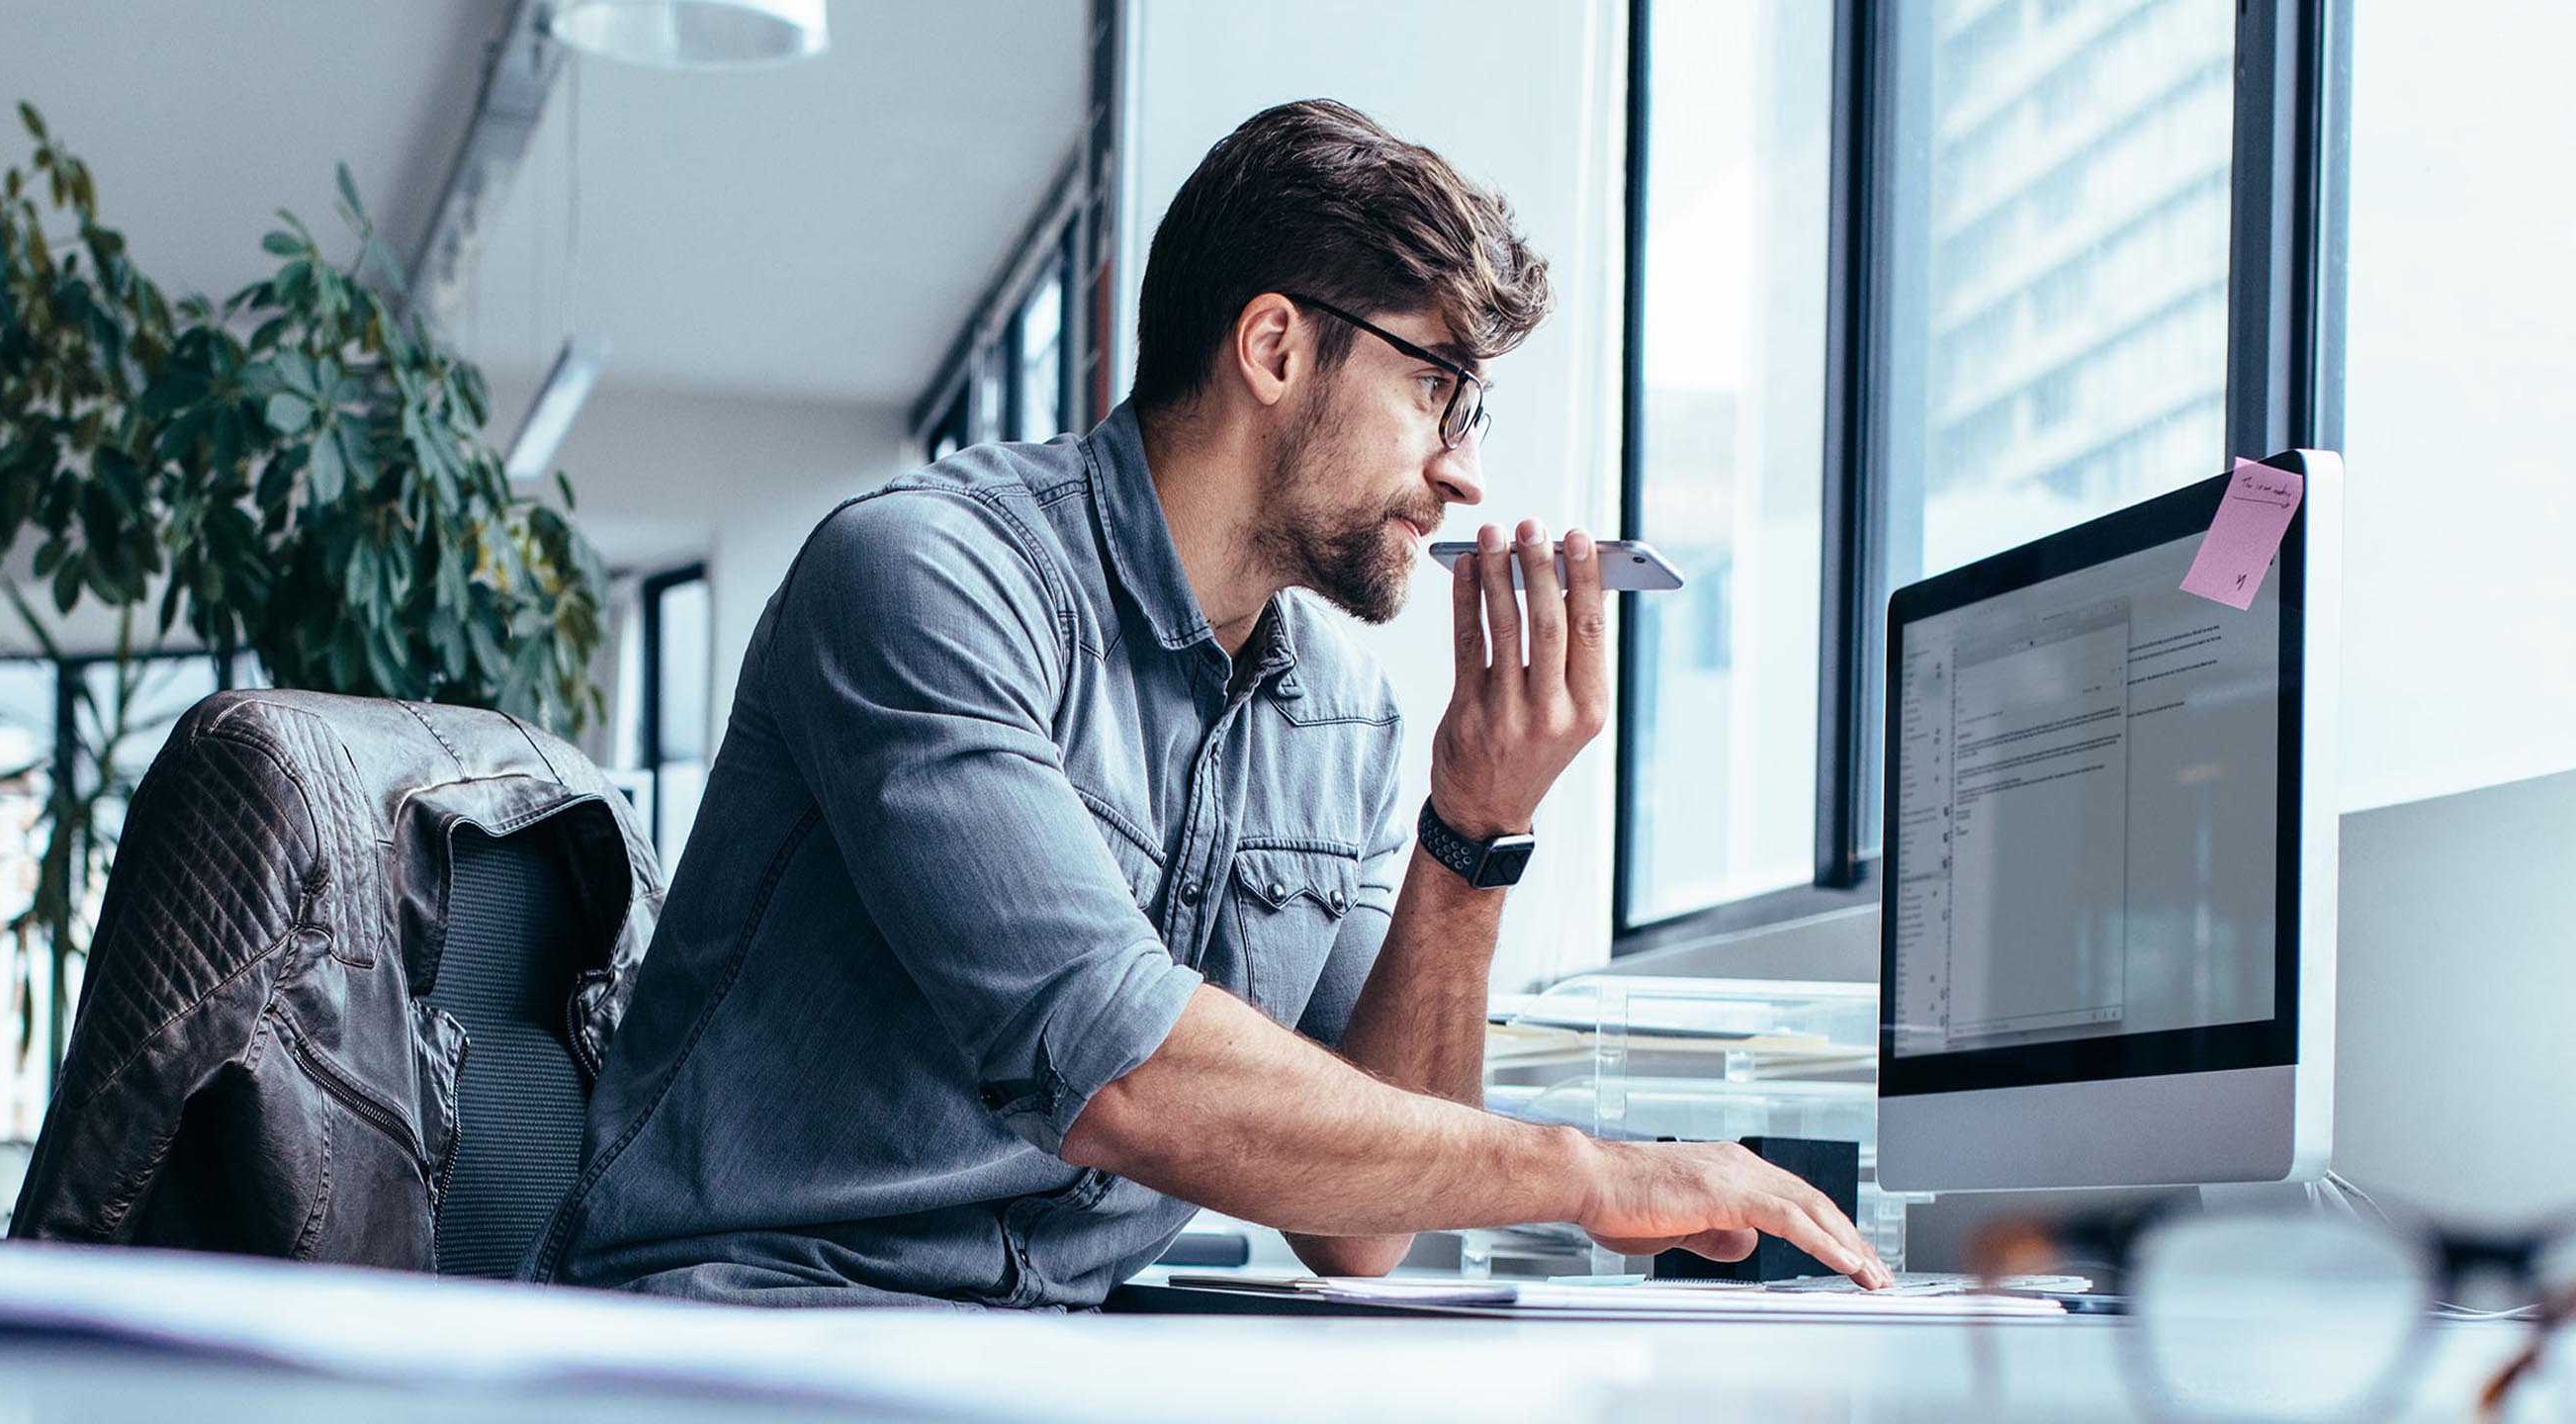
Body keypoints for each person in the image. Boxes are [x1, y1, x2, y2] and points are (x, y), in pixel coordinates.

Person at [527, 99, 1891, 1308]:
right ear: (1276, 348)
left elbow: (1360, 1237)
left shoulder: (1340, 718)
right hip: (744, 1315)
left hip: (1035, 1351)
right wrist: (1589, 1174)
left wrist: (1476, 830)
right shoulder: (928, 580)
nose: (1464, 472)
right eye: (1440, 392)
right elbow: (1123, 1070)